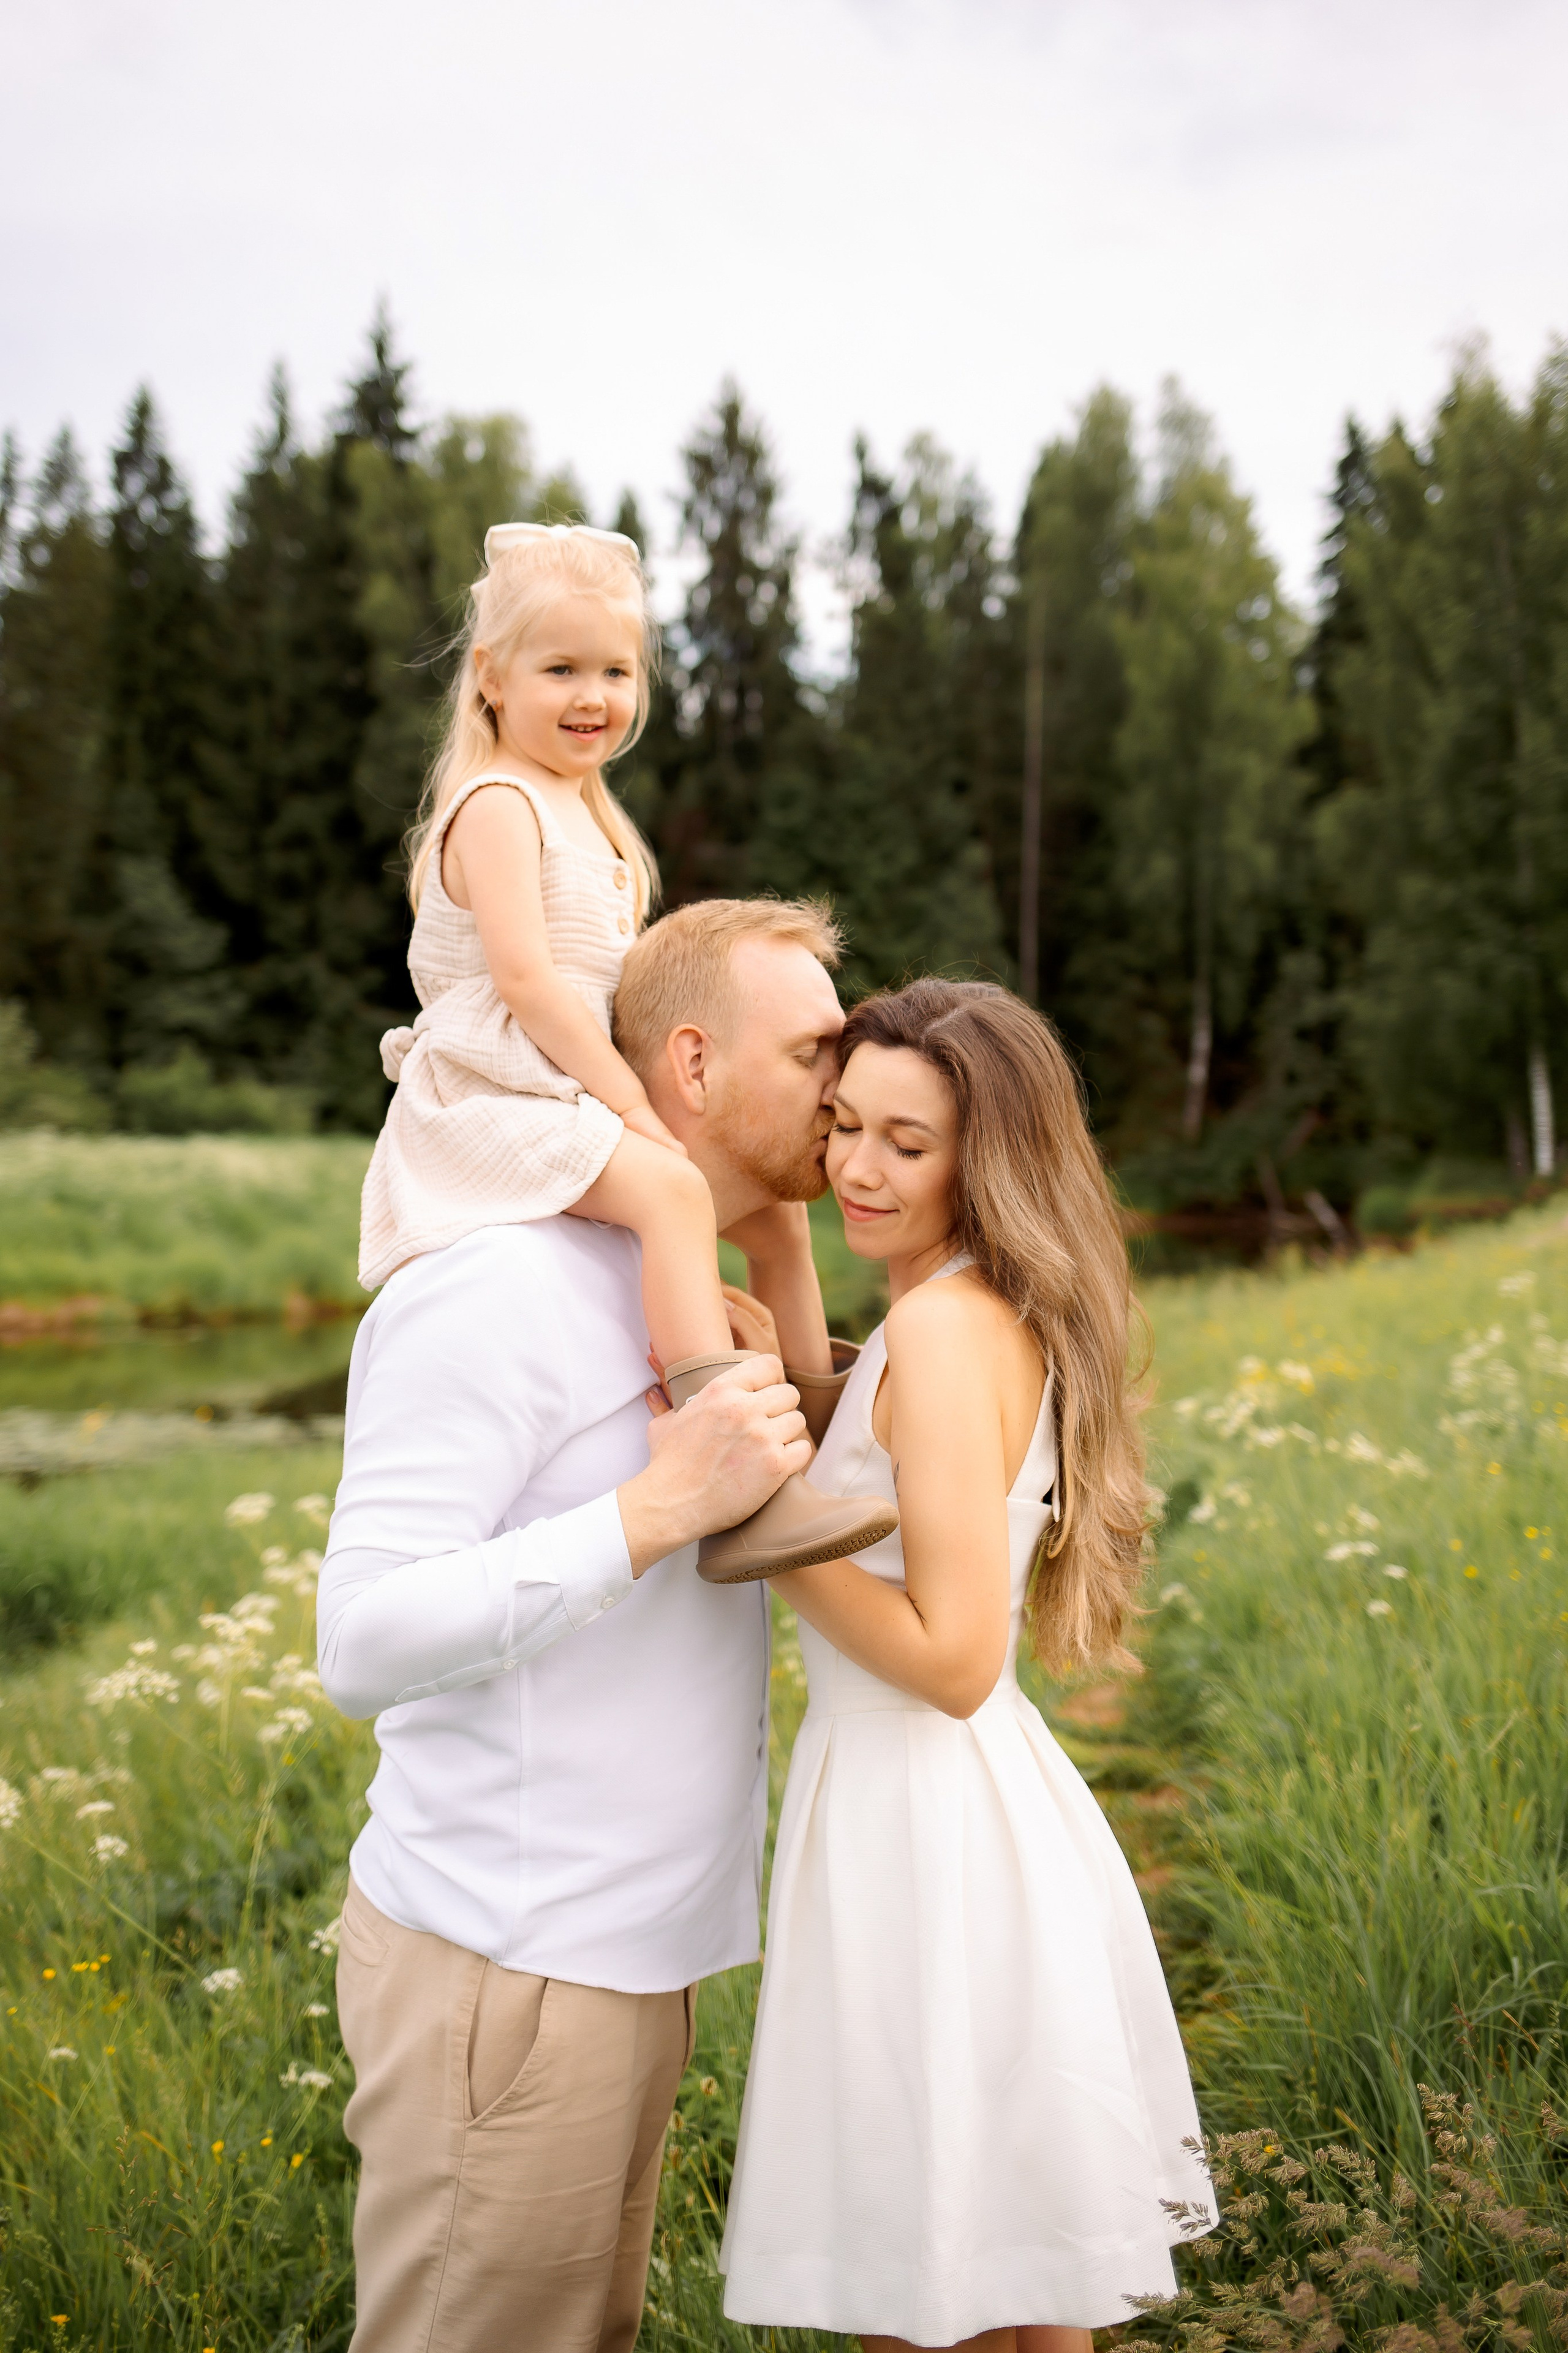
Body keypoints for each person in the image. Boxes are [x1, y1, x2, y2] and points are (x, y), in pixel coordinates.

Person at [318, 896, 869, 2353]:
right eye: (812, 1050)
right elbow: (357, 1641)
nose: (846, 1081)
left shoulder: (700, 1300)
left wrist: (790, 1262)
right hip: (506, 1972)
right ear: (690, 1063)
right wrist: (650, 1511)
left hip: (630, 1968)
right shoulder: (496, 1284)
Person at [720, 978, 1216, 2353]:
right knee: (1003, 2281)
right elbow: (875, 1470)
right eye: (842, 1125)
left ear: (981, 1160)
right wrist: (780, 1258)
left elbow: (950, 1656)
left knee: (922, 2288)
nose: (858, 1168)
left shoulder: (942, 1333)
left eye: (907, 1142)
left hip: (919, 1815)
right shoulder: (958, 1307)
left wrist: (751, 1524)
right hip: (953, 1803)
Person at [358, 519, 891, 1579]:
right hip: (503, 1091)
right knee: (673, 1192)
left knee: (779, 1215)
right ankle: (726, 1458)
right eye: (560, 669)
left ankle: (814, 1443)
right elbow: (527, 984)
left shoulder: (595, 818)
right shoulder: (499, 804)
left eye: (616, 670)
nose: (593, 695)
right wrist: (634, 1106)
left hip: (567, 1081)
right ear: (490, 678)